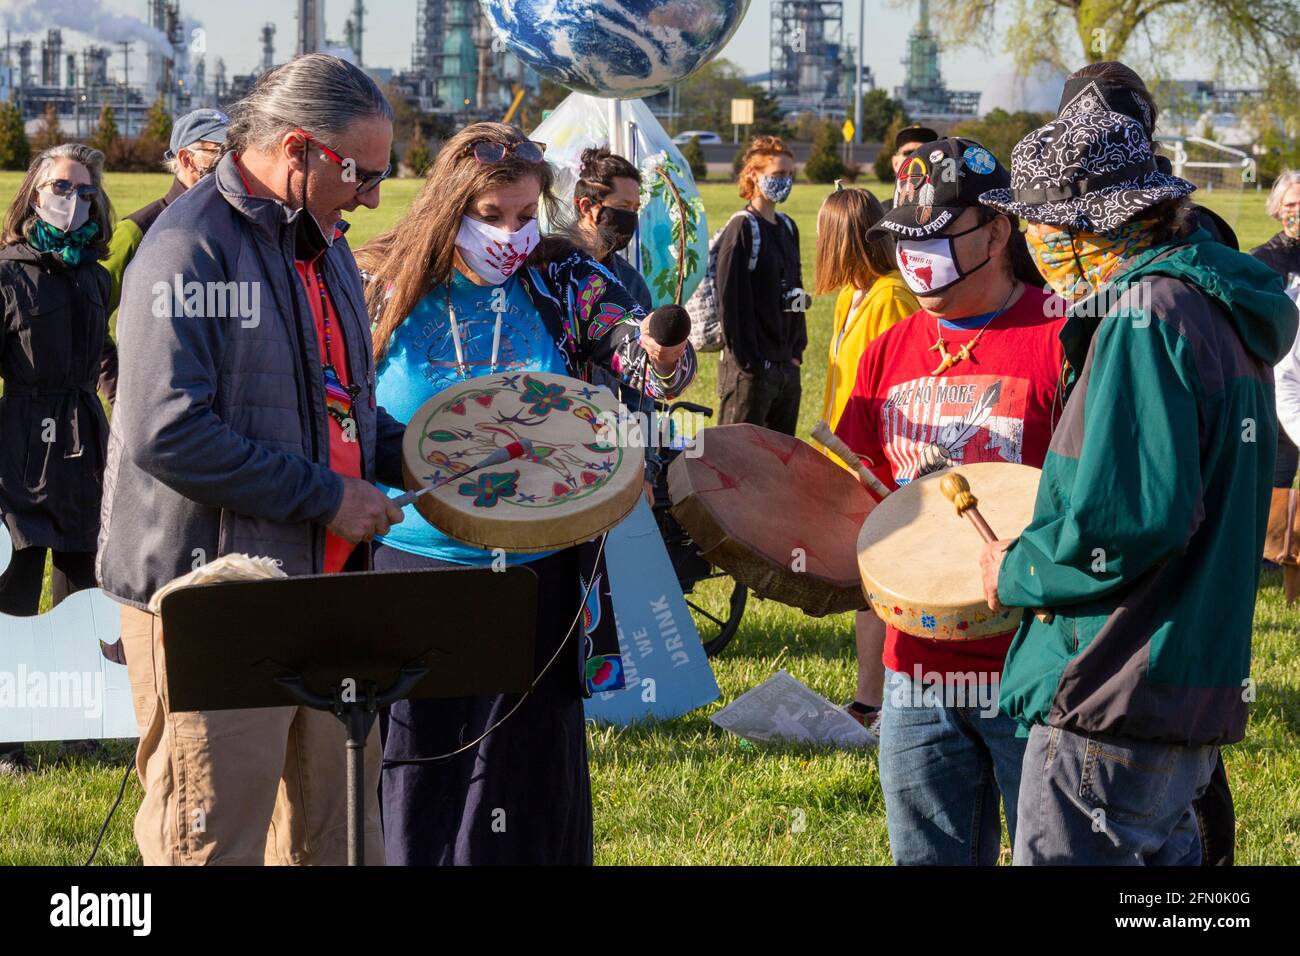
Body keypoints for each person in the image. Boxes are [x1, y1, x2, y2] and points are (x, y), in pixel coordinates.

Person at [355, 122, 695, 865]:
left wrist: (664, 357)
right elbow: (328, 395)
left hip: (538, 568)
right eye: (492, 216)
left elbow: (637, 354)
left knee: (526, 769)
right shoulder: (375, 281)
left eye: (524, 216)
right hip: (414, 563)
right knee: (419, 764)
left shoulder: (561, 279)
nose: (511, 235)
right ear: (451, 206)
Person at [97, 54, 406, 865]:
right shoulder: (188, 246)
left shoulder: (327, 246)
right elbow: (166, 429)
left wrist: (431, 450)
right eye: (360, 172)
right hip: (216, 600)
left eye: (384, 173)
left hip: (329, 593)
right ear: (297, 148)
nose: (374, 195)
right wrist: (328, 497)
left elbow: (340, 405)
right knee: (212, 842)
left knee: (340, 844)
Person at [979, 109, 1297, 866]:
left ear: (1087, 230)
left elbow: (1131, 520)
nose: (1034, 246)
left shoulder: (1142, 317)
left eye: (1043, 228)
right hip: (1183, 690)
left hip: (1111, 689)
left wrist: (1018, 568)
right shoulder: (1215, 307)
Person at [833, 137, 1067, 865]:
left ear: (997, 231)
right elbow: (854, 489)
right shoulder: (887, 347)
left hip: (1032, 670)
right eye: (904, 237)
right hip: (913, 670)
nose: (915, 254)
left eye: (935, 233)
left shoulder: (1065, 335)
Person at [1055, 58, 1245, 866]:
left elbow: (1144, 508)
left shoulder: (1173, 255)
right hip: (1157, 480)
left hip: (1145, 488)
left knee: (1143, 754)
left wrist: (1035, 563)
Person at [0, 144, 118, 773]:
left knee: (84, 595)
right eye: (59, 187)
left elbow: (103, 355)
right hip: (19, 445)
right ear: (34, 192)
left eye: (82, 190)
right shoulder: (6, 273)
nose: (71, 200)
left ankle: (80, 727)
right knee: (14, 596)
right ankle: (8, 738)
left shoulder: (96, 276)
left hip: (85, 449)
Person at [810, 181, 918, 737]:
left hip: (882, 463)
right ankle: (869, 697)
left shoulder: (892, 297)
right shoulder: (851, 298)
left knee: (881, 584)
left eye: (825, 236)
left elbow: (905, 385)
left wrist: (867, 459)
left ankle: (877, 701)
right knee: (864, 584)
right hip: (849, 457)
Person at [570, 145, 663, 502]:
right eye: (623, 209)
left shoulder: (631, 284)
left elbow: (643, 388)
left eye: (636, 210)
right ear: (587, 207)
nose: (631, 220)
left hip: (610, 444)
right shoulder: (548, 269)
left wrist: (644, 464)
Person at [715, 134, 806, 436]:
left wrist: (795, 352)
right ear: (754, 174)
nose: (786, 181)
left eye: (790, 174)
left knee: (778, 463)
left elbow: (797, 289)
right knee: (736, 459)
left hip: (785, 368)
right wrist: (748, 362)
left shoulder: (788, 227)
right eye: (778, 175)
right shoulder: (742, 227)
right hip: (751, 371)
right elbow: (730, 300)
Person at [100, 108, 230, 318]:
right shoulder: (137, 230)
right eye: (220, 152)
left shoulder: (238, 223)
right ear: (186, 159)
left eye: (235, 152)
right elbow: (90, 309)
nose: (231, 161)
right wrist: (111, 352)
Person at [1252, 170, 1300, 564]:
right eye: (1291, 205)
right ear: (1277, 210)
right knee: (1277, 469)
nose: (1298, 212)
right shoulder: (1263, 260)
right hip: (1278, 378)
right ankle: (1269, 549)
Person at [880, 126, 939, 212]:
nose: (916, 159)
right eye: (909, 153)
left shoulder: (948, 212)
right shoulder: (881, 213)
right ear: (895, 163)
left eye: (924, 152)